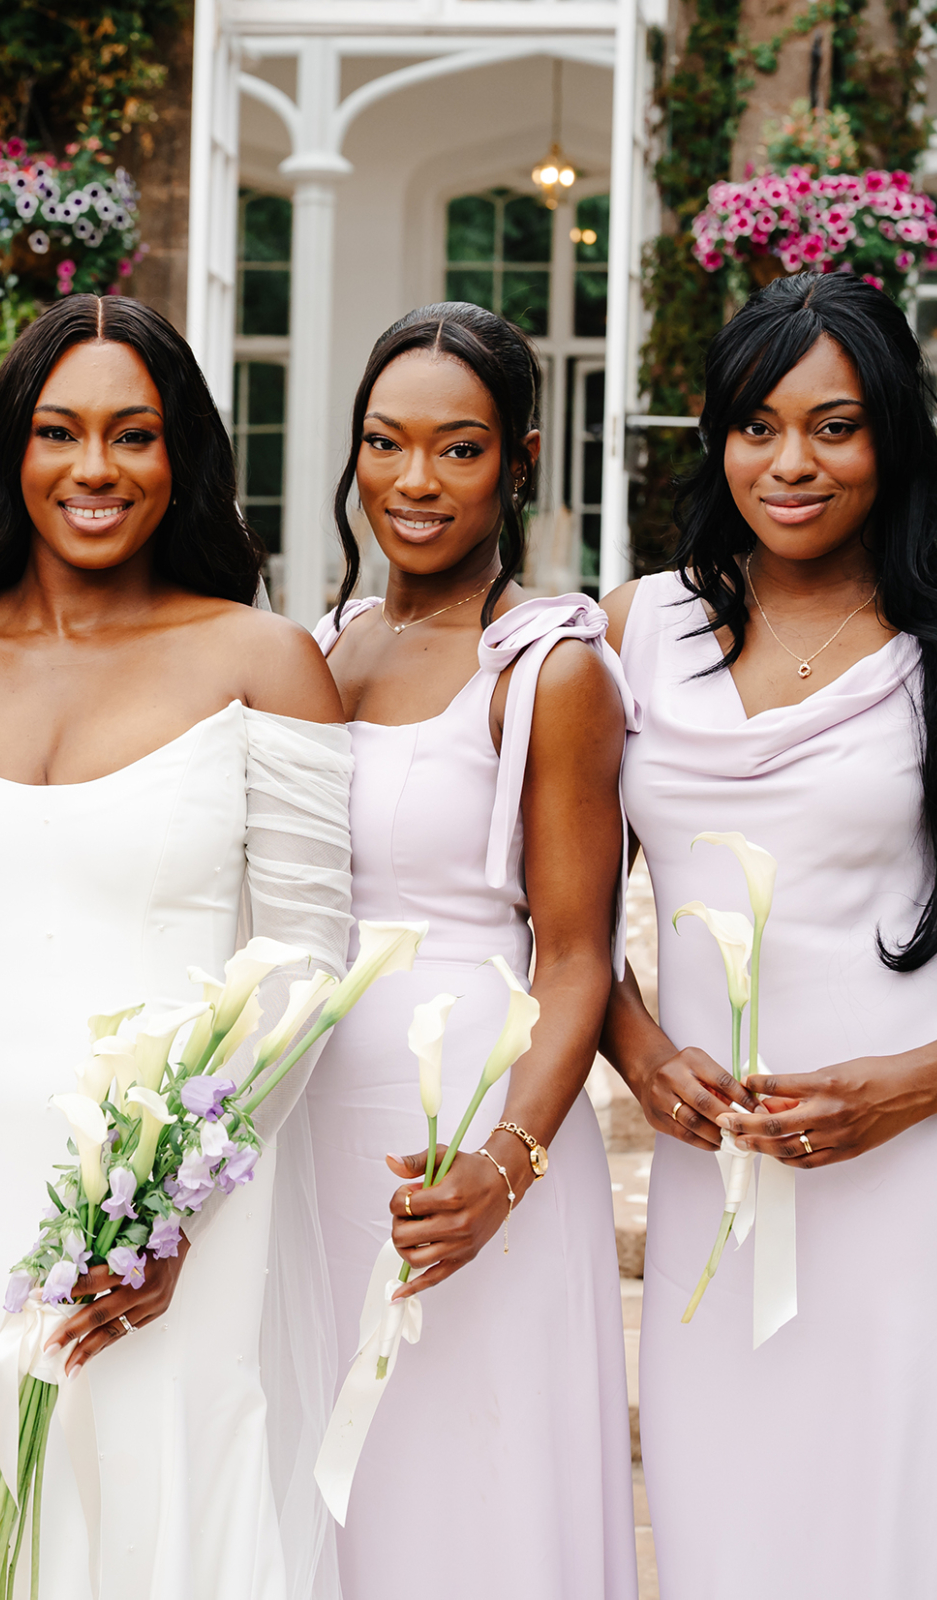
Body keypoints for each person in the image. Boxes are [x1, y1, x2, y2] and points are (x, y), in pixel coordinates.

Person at [602, 272, 937, 1598]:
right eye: (758, 424)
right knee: (729, 1533)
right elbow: (562, 922)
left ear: (893, 434)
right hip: (716, 1188)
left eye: (835, 426)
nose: (792, 463)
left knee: (910, 1538)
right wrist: (640, 1050)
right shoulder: (637, 628)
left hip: (924, 1180)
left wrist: (902, 1093)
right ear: (717, 437)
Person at [0, 293, 352, 1600]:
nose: (94, 470)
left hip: (170, 1186)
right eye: (60, 432)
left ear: (180, 456)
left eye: (132, 435)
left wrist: (168, 1201)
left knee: (160, 1495)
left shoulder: (265, 661)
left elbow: (305, 977)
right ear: (13, 451)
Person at [307, 302, 636, 1598]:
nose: (413, 482)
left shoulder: (549, 671)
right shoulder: (323, 646)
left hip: (475, 1128)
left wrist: (508, 1164)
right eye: (385, 445)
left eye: (458, 449)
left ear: (521, 460)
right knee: (339, 1475)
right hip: (317, 1128)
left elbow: (577, 957)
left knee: (474, 1491)